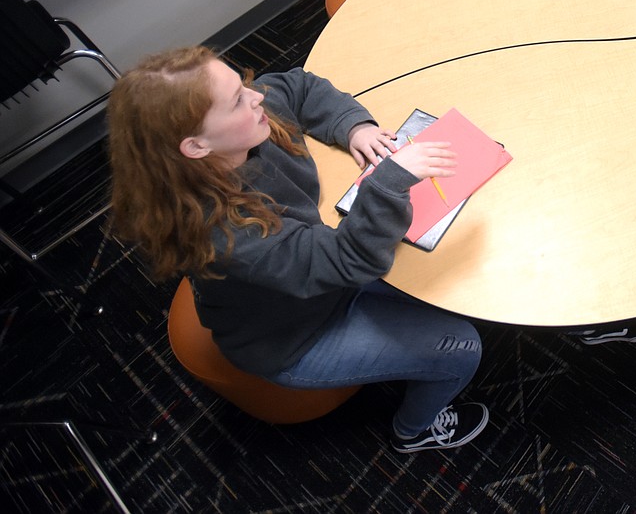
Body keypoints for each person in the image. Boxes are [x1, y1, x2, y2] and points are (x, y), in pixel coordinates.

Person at [107, 45, 488, 453]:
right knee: (463, 347)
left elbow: (299, 87)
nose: (257, 97)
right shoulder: (226, 235)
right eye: (238, 100)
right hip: (296, 340)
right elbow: (350, 260)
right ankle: (414, 431)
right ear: (196, 146)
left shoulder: (247, 122)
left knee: (446, 286)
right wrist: (390, 181)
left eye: (243, 85)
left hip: (315, 281)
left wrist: (352, 126)